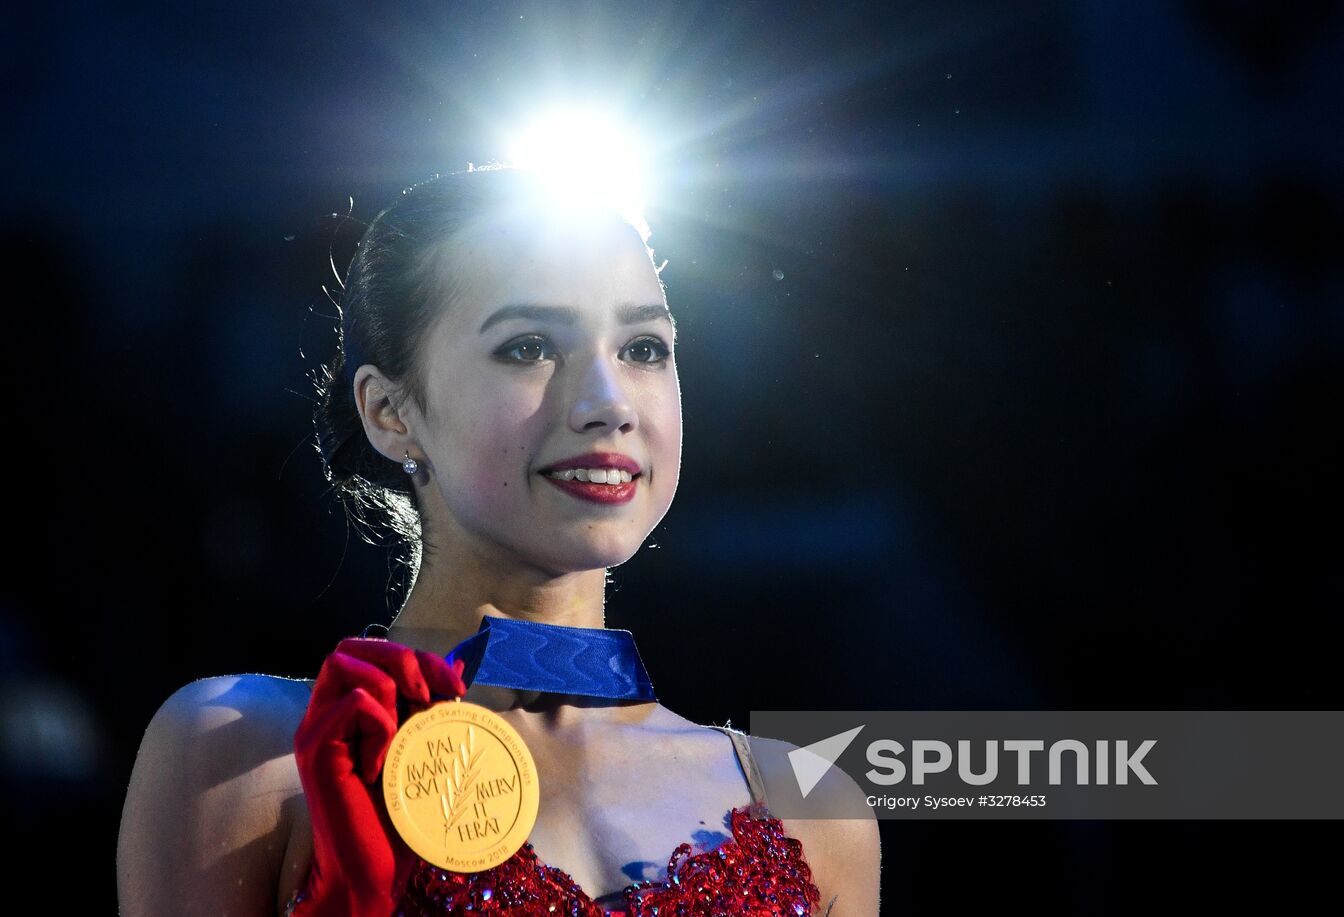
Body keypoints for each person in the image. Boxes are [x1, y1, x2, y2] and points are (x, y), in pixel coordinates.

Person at [116, 165, 881, 916]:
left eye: (643, 347)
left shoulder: (810, 803)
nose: (608, 404)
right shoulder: (242, 751)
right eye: (528, 346)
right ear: (390, 411)